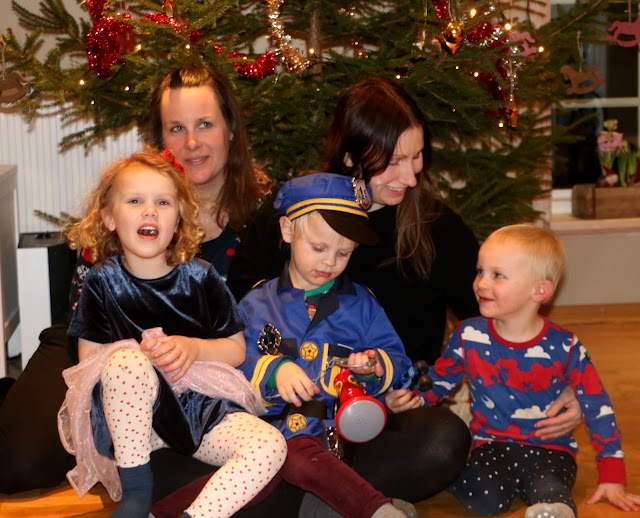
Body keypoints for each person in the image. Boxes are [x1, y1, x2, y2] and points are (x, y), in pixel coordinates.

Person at [223, 76, 582, 501]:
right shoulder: (294, 211)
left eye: (417, 158)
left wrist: (560, 381)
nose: (410, 177)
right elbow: (233, 318)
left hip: (384, 415)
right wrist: (273, 372)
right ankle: (341, 497)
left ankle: (317, 497)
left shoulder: (438, 228)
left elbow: (497, 318)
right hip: (285, 414)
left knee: (443, 440)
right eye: (394, 162)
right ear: (350, 156)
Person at [0, 65, 270, 494]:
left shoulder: (263, 213)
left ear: (231, 130)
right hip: (97, 347)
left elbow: (254, 323)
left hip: (197, 364)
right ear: (160, 137)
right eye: (176, 128)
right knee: (17, 464)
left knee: (201, 466)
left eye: (205, 124)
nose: (192, 142)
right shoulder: (130, 197)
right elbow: (84, 316)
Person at [60, 148, 287, 518]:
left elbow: (236, 350)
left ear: (179, 219)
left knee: (271, 444)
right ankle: (137, 493)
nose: (150, 211)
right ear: (109, 218)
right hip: (134, 423)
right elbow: (87, 361)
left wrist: (194, 348)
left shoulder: (201, 276)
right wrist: (136, 355)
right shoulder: (102, 280)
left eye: (163, 202)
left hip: (198, 409)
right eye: (135, 201)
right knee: (126, 363)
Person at [420, 224, 640, 518]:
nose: (481, 283)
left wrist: (613, 476)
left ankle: (555, 510)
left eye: (497, 275)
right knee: (485, 500)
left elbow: (597, 405)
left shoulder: (566, 346)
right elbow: (439, 382)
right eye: (480, 271)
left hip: (552, 449)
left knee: (550, 486)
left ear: (540, 290)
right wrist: (410, 400)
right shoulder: (467, 335)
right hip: (492, 445)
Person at [238, 173, 416, 518]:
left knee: (305, 470)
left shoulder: (362, 304)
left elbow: (397, 358)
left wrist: (375, 366)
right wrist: (275, 369)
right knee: (275, 470)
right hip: (268, 438)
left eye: (343, 253)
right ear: (288, 231)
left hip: (343, 437)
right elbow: (233, 360)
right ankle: (374, 508)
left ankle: (360, 505)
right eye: (318, 248)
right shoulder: (257, 303)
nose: (329, 262)